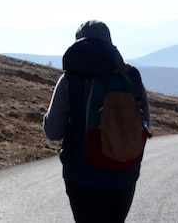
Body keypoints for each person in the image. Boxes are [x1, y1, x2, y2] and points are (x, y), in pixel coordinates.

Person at [43, 20, 150, 223]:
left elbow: (53, 132)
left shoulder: (68, 80)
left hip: (82, 176)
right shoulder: (131, 76)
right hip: (124, 172)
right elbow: (144, 121)